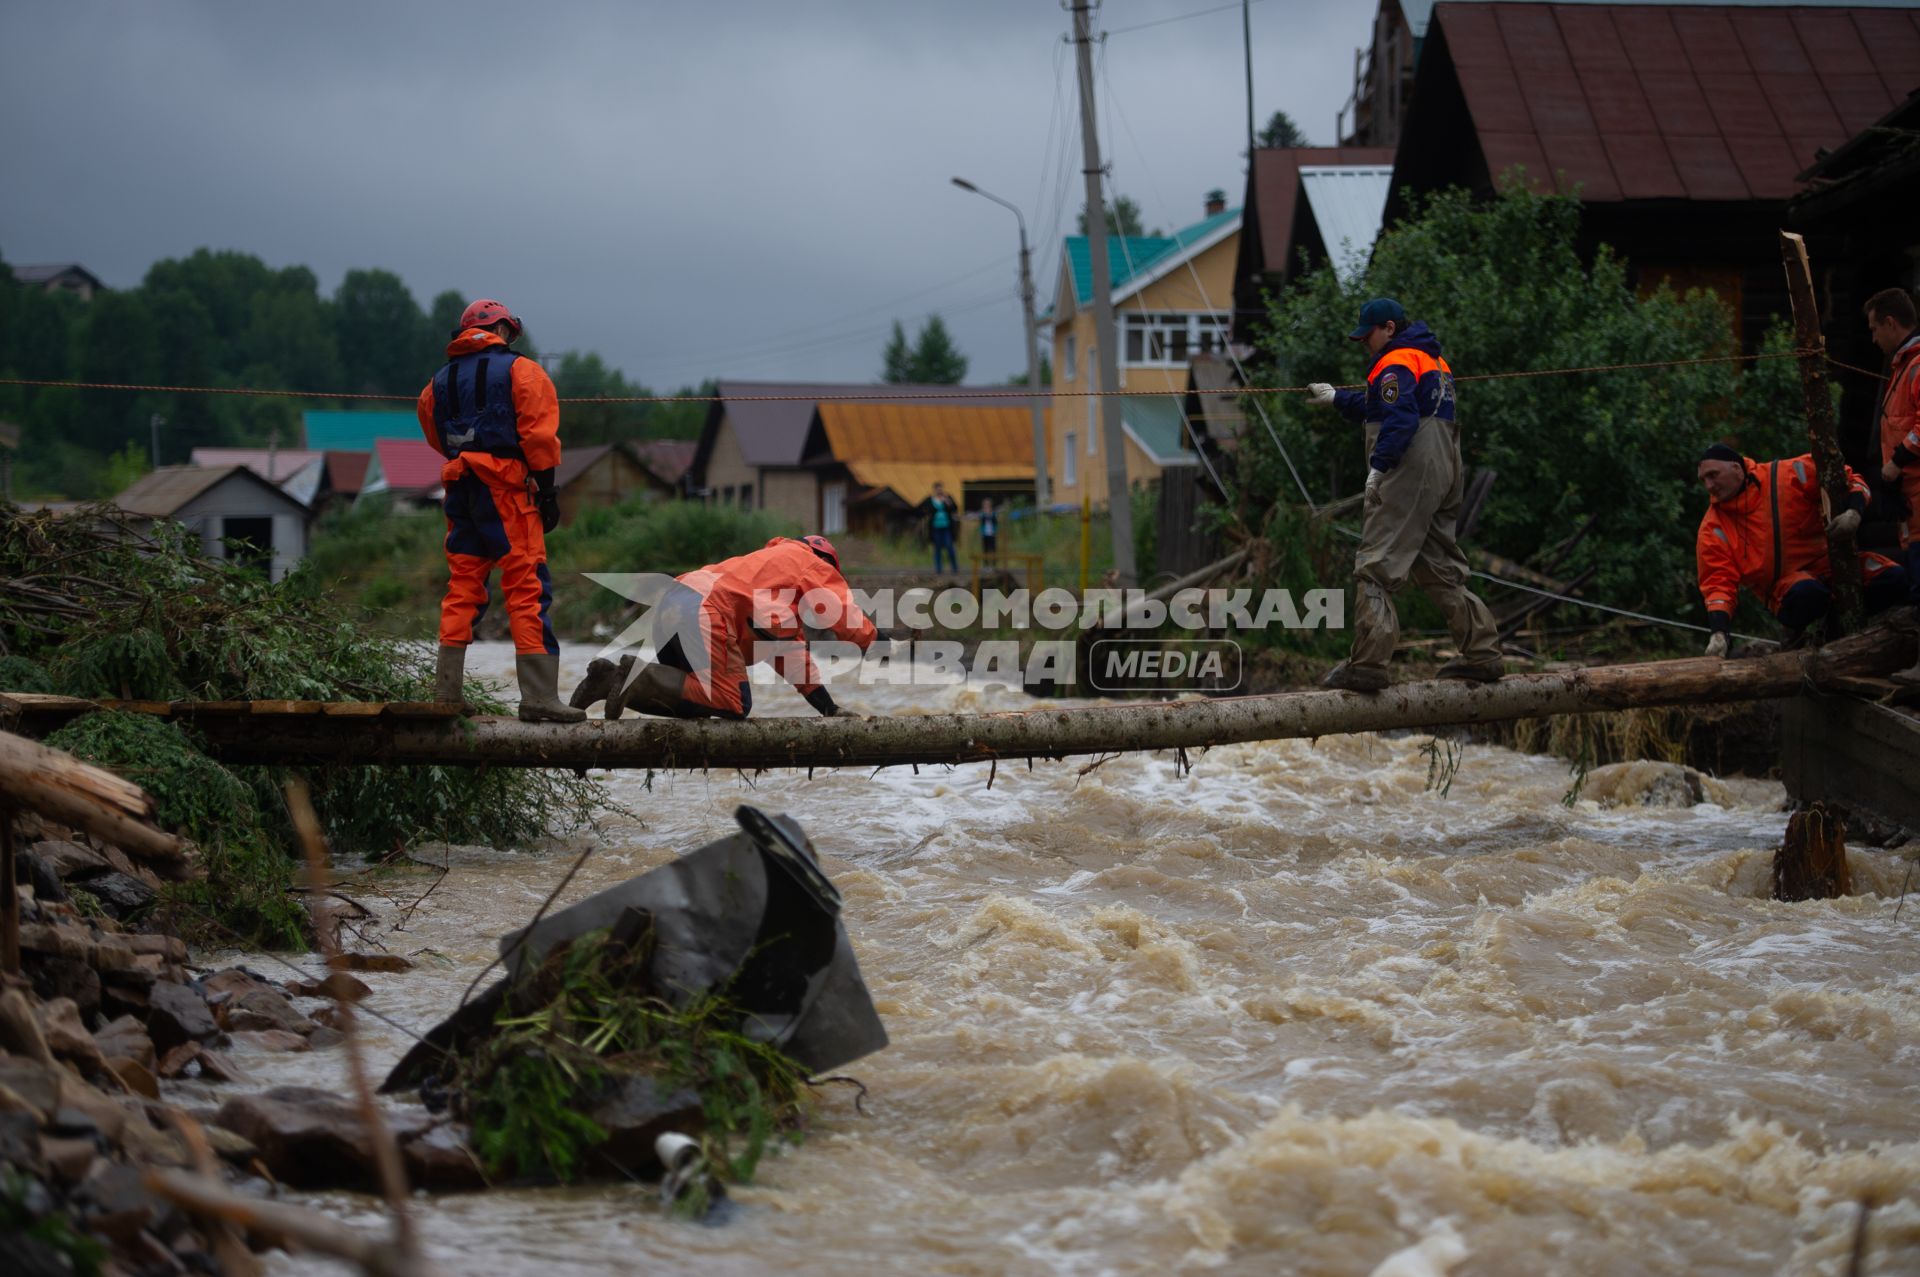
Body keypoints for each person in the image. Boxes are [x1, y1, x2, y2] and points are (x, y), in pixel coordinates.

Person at [1305, 298, 1503, 692]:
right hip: (1446, 465)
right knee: (1439, 564)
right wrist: (1336, 399)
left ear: (1390, 328)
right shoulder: (1433, 361)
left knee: (1375, 565)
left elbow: (1399, 417)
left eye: (1369, 335)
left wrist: (1379, 467)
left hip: (1410, 467)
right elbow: (1384, 404)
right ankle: (1482, 653)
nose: (1364, 343)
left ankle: (1368, 663)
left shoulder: (1395, 361)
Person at [418, 298, 584, 722]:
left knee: (463, 588)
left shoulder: (435, 384)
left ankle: (446, 695)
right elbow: (541, 440)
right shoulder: (523, 371)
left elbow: (436, 438)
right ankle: (539, 698)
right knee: (527, 587)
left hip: (459, 489)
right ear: (503, 330)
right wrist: (547, 494)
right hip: (507, 490)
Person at [571, 535, 879, 719]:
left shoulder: (772, 592)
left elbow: (792, 659)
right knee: (734, 703)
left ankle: (608, 679)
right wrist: (876, 640)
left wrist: (830, 709)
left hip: (672, 600)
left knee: (693, 697)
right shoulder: (808, 562)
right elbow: (843, 613)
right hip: (705, 610)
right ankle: (636, 678)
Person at [1694, 443, 1907, 654]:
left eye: (1713, 475)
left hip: (1833, 564)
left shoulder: (1787, 474)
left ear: (1736, 468)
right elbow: (1717, 582)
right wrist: (1719, 633)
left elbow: (1850, 481)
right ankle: (1797, 636)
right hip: (1786, 586)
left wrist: (1854, 512)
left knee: (1895, 578)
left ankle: (1836, 626)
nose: (1709, 485)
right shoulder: (1713, 526)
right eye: (1704, 480)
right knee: (1808, 593)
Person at [1867, 287, 1920, 682]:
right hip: (1910, 498)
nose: (1873, 340)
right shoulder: (1903, 367)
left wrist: (1897, 461)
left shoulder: (1917, 366)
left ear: (1890, 322)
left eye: (1874, 329)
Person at [927, 482, 959, 574]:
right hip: (936, 528)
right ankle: (939, 570)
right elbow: (926, 510)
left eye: (940, 489)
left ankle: (954, 568)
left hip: (947, 528)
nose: (939, 491)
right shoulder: (931, 500)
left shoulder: (947, 498)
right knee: (937, 549)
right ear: (935, 490)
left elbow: (954, 508)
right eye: (937, 489)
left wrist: (947, 502)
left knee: (950, 547)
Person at [979, 497, 999, 566]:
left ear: (990, 505)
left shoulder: (993, 513)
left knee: (993, 549)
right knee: (985, 550)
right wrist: (981, 533)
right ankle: (986, 565)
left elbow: (996, 523)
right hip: (985, 534)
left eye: (988, 504)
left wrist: (996, 531)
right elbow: (981, 524)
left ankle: (994, 564)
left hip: (992, 534)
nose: (986, 505)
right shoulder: (982, 514)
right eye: (985, 504)